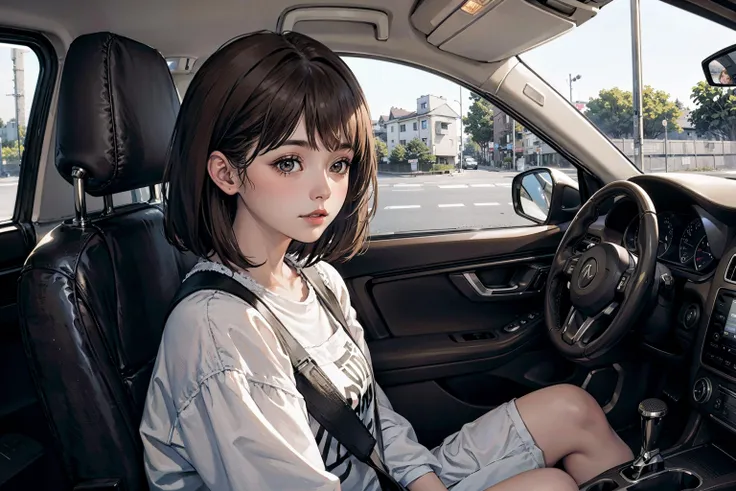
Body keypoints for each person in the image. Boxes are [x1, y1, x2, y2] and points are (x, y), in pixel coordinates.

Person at [139, 30, 634, 491]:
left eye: (338, 163)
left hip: (381, 478)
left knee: (574, 408)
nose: (324, 189)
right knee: (552, 486)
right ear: (226, 173)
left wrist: (423, 481)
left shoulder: (318, 280)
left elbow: (372, 415)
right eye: (288, 162)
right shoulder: (218, 333)